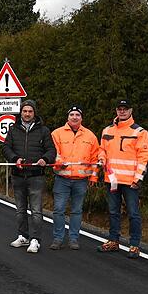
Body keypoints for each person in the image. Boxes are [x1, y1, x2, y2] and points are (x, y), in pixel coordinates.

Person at [97, 99, 148, 259]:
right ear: (116, 110)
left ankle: (134, 245)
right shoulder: (107, 130)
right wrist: (101, 158)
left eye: (125, 109)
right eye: (119, 109)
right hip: (112, 179)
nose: (122, 111)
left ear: (131, 111)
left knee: (133, 213)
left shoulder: (140, 132)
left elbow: (144, 157)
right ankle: (113, 241)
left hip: (130, 181)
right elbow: (102, 149)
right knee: (113, 211)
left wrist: (138, 179)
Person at [2, 99, 56, 254]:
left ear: (34, 113)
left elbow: (51, 150)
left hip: (36, 176)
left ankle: (35, 240)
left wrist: (44, 159)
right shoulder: (13, 129)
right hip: (18, 175)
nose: (27, 114)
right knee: (20, 210)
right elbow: (5, 147)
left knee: (37, 211)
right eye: (24, 111)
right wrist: (14, 159)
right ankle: (23, 236)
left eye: (30, 111)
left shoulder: (43, 130)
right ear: (21, 112)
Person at [49, 105, 100, 250]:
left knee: (76, 210)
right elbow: (53, 152)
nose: (74, 117)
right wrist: (59, 164)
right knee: (58, 209)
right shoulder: (57, 133)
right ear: (68, 117)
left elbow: (95, 158)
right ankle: (58, 238)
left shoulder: (90, 136)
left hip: (81, 180)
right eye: (72, 114)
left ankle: (73, 239)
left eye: (77, 114)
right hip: (62, 179)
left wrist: (93, 178)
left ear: (81, 118)